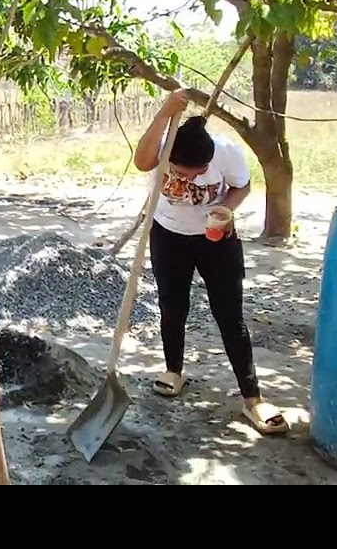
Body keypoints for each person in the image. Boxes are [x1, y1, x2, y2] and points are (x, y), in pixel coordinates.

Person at [131, 88, 287, 435]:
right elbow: (142, 162)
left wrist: (225, 210)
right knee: (172, 307)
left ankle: (253, 399)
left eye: (196, 173)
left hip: (216, 240)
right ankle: (173, 371)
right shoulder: (164, 143)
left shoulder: (227, 152)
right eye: (179, 173)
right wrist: (164, 112)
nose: (187, 179)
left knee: (230, 316)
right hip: (168, 235)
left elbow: (241, 187)